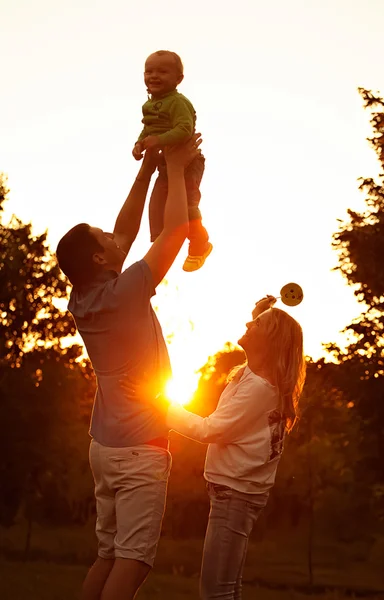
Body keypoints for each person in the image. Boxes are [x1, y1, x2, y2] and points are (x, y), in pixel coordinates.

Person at [56, 135, 201, 600]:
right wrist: (176, 168)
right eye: (104, 238)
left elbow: (124, 232)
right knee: (133, 561)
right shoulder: (128, 289)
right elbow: (174, 231)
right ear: (100, 258)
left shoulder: (84, 298)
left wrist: (147, 172)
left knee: (106, 555)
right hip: (140, 449)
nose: (114, 236)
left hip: (105, 447)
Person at [130, 296, 306, 600]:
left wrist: (161, 407)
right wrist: (261, 313)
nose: (248, 324)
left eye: (257, 325)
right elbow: (265, 342)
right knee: (227, 588)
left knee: (215, 592)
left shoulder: (257, 388)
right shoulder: (259, 376)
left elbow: (209, 429)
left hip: (235, 495)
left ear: (270, 341)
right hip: (239, 492)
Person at [132, 49, 212, 272]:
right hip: (166, 165)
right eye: (149, 71)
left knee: (186, 206)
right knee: (157, 204)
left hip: (188, 163)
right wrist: (140, 144)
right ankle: (161, 243)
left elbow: (185, 129)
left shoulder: (177, 102)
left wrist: (158, 140)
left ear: (178, 79)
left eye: (163, 71)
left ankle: (200, 243)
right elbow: (148, 129)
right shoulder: (149, 105)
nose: (154, 76)